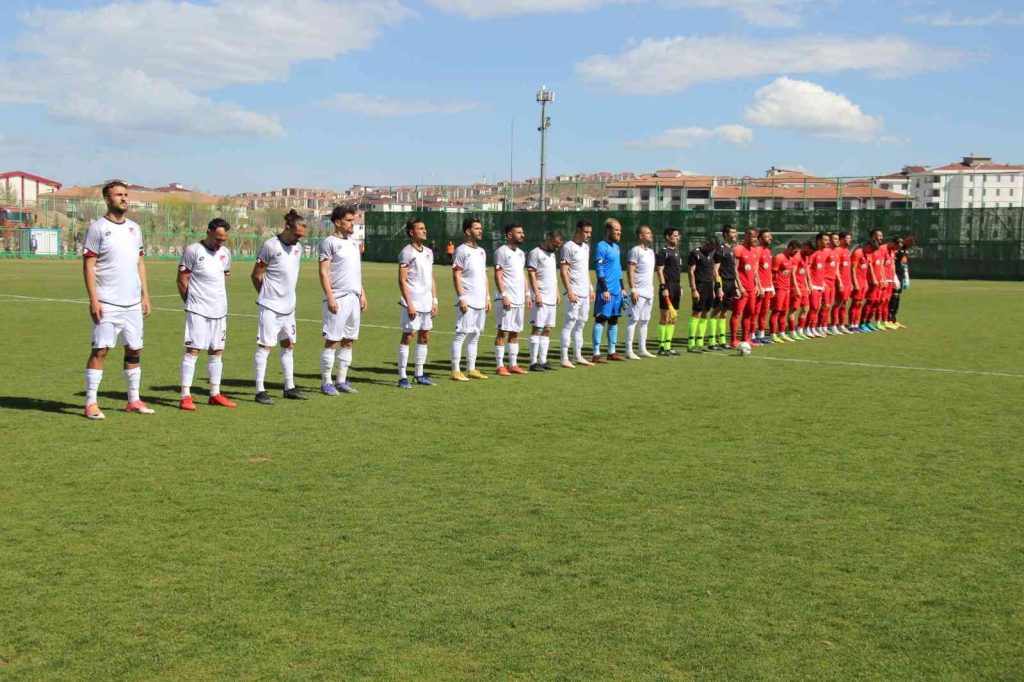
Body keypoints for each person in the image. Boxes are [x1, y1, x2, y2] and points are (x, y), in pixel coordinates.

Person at [82, 179, 153, 419]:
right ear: (107, 199)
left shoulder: (135, 228)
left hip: (132, 303)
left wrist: (145, 295)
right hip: (108, 302)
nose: (123, 198)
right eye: (118, 195)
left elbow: (139, 262)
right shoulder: (98, 228)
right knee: (100, 350)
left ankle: (133, 400)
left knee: (135, 349)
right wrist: (94, 300)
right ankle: (91, 403)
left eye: (125, 194)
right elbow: (89, 265)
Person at [176, 217, 236, 411]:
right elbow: (182, 280)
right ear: (208, 232)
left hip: (219, 310)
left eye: (224, 239)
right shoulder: (194, 251)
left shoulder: (225, 253)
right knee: (193, 350)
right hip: (198, 310)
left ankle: (214, 393)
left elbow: (223, 278)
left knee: (217, 351)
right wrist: (191, 303)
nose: (221, 243)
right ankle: (185, 395)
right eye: (218, 238)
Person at [251, 209, 307, 404]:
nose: (299, 239)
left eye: (302, 236)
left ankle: (289, 387)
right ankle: (259, 390)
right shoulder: (270, 246)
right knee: (265, 346)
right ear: (287, 228)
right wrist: (267, 296)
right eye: (297, 235)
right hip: (270, 307)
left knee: (288, 345)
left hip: (289, 307)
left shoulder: (298, 248)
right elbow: (256, 275)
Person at [318, 205, 367, 396]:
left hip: (354, 298)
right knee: (332, 340)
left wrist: (362, 293)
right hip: (337, 298)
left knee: (349, 341)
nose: (352, 223)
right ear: (338, 222)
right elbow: (323, 271)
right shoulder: (328, 242)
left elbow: (355, 272)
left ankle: (341, 380)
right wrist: (329, 296)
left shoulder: (354, 243)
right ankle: (326, 381)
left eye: (353, 220)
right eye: (348, 220)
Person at [396, 217, 438, 389]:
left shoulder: (429, 252)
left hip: (427, 302)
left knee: (425, 336)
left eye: (425, 227)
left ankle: (419, 374)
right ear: (412, 232)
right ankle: (402, 376)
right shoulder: (407, 252)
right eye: (421, 228)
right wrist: (410, 303)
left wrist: (435, 300)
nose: (425, 231)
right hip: (412, 302)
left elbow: (431, 277)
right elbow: (402, 280)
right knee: (408, 336)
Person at [451, 216, 491, 381]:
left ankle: (471, 368)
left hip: (481, 300)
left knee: (475, 334)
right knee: (461, 333)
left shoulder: (481, 251)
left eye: (481, 228)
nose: (480, 230)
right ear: (468, 231)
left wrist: (488, 297)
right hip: (467, 299)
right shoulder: (461, 250)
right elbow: (456, 274)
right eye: (476, 228)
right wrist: (461, 297)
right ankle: (455, 370)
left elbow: (484, 276)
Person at [493, 223, 529, 375]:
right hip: (506, 299)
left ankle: (513, 364)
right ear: (509, 235)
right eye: (519, 232)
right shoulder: (501, 252)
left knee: (515, 332)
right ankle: (500, 365)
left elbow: (522, 275)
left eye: (522, 232)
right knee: (503, 331)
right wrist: (504, 295)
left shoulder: (521, 253)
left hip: (519, 299)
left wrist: (527, 294)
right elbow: (498, 275)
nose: (522, 235)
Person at [559, 219, 595, 367]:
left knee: (581, 324)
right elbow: (563, 271)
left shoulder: (586, 247)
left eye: (590, 233)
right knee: (569, 324)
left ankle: (578, 355)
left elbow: (585, 270)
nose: (588, 235)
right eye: (586, 232)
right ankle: (564, 358)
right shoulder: (568, 247)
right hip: (574, 293)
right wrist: (570, 292)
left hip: (585, 292)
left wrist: (591, 287)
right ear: (578, 230)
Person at [526, 230, 563, 371]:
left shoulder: (552, 254)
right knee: (537, 328)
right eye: (555, 243)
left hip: (551, 297)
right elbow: (531, 274)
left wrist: (557, 292)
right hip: (540, 297)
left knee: (547, 329)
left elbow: (552, 276)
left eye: (559, 245)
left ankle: (543, 360)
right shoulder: (535, 253)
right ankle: (533, 362)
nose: (557, 247)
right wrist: (536, 294)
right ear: (548, 238)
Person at [591, 218, 625, 362]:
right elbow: (599, 268)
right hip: (606, 291)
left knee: (614, 320)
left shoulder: (616, 247)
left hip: (617, 292)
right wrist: (604, 289)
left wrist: (622, 288)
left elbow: (618, 270)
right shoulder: (601, 246)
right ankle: (596, 353)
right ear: (608, 231)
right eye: (616, 230)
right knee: (601, 319)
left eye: (620, 230)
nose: (619, 233)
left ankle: (612, 351)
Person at [625, 225, 656, 359]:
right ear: (640, 236)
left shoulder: (650, 251)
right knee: (633, 320)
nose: (651, 235)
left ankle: (642, 349)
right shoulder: (635, 251)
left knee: (645, 321)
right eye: (648, 233)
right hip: (638, 292)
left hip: (649, 292)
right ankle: (628, 350)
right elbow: (630, 271)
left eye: (651, 233)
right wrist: (633, 290)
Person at [686, 235, 720, 353]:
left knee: (706, 313)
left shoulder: (711, 254)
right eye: (712, 246)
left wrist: (715, 288)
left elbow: (712, 272)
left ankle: (700, 343)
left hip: (709, 286)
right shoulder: (695, 253)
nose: (713, 249)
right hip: (699, 286)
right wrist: (694, 290)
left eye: (714, 248)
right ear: (707, 242)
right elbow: (691, 272)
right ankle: (691, 343)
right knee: (697, 312)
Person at [710, 224, 739, 350]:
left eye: (735, 232)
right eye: (732, 232)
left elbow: (733, 270)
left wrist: (736, 286)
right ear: (726, 234)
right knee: (716, 312)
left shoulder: (731, 250)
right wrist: (718, 287)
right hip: (723, 284)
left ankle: (722, 340)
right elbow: (715, 270)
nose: (735, 234)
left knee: (724, 313)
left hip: (731, 284)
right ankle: (712, 341)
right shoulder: (720, 250)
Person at [730, 228, 760, 347]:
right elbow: (734, 270)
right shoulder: (739, 249)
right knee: (737, 313)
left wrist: (757, 285)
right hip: (742, 289)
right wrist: (739, 286)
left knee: (749, 313)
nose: (755, 239)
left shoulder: (754, 251)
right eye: (753, 236)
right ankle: (733, 339)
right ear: (747, 236)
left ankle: (745, 338)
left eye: (756, 236)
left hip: (752, 289)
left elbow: (754, 271)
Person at [655, 227, 683, 355]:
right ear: (668, 237)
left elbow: (677, 272)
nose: (677, 237)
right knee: (665, 316)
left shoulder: (677, 252)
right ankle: (661, 347)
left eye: (678, 235)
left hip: (676, 286)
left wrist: (680, 286)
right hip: (667, 286)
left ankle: (668, 346)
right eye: (675, 235)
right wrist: (663, 287)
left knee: (673, 317)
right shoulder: (663, 252)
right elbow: (660, 271)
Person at [769, 240, 800, 343]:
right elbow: (772, 273)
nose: (796, 254)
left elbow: (790, 274)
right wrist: (773, 287)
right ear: (790, 247)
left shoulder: (791, 259)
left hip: (787, 289)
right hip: (779, 288)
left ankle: (781, 333)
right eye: (795, 251)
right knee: (776, 311)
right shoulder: (779, 258)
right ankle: (773, 334)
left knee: (784, 311)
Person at [752, 229, 775, 344]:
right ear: (760, 238)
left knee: (764, 311)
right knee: (756, 311)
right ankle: (751, 335)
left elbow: (769, 270)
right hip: (760, 287)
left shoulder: (769, 251)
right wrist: (758, 286)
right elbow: (755, 270)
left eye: (769, 236)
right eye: (766, 236)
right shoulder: (758, 250)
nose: (769, 238)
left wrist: (772, 286)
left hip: (768, 286)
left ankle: (761, 335)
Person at [832, 232, 854, 333]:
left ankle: (841, 325)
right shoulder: (837, 250)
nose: (850, 240)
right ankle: (833, 325)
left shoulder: (847, 251)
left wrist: (851, 282)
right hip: (840, 282)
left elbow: (848, 268)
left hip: (847, 282)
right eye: (848, 238)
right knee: (838, 303)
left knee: (844, 303)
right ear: (842, 239)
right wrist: (839, 282)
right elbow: (836, 268)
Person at [791, 242, 813, 339]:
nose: (810, 254)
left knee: (806, 309)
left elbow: (804, 272)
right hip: (796, 287)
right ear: (806, 247)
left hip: (803, 287)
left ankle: (799, 330)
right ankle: (792, 332)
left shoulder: (806, 257)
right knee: (794, 310)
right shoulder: (797, 256)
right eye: (810, 251)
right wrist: (796, 288)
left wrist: (808, 285)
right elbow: (793, 274)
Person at [849, 236, 871, 332]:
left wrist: (866, 282)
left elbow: (865, 270)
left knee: (860, 303)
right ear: (867, 246)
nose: (871, 251)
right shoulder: (858, 253)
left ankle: (856, 323)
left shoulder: (867, 254)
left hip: (863, 283)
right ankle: (851, 324)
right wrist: (855, 283)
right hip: (857, 282)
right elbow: (853, 269)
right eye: (871, 248)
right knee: (855, 303)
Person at [889, 236, 912, 328]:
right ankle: (889, 319)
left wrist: (906, 276)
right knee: (893, 295)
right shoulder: (896, 250)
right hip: (894, 275)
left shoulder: (905, 251)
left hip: (900, 275)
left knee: (897, 296)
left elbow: (904, 263)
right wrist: (894, 276)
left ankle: (894, 319)